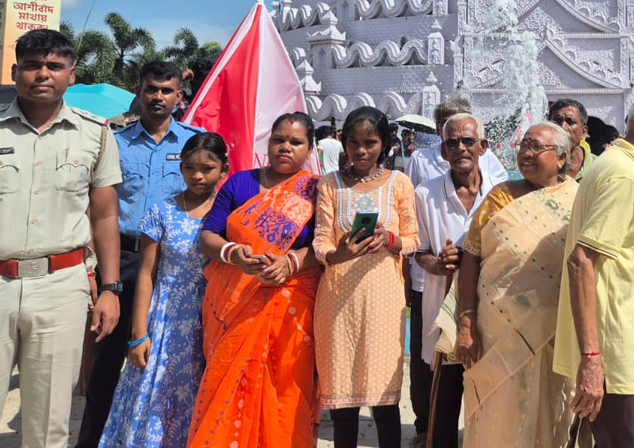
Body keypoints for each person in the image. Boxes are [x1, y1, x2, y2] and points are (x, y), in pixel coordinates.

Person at [0, 28, 123, 448]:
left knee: (48, 425)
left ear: (70, 74)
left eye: (54, 66)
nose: (43, 74)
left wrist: (110, 289)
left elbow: (106, 215)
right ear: (16, 70)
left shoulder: (95, 134)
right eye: (33, 65)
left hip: (62, 288)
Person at [78, 61, 202, 447]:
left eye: (167, 91)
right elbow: (94, 206)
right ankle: (92, 440)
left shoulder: (194, 143)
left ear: (179, 97)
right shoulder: (114, 142)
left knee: (171, 365)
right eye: (151, 89)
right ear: (140, 91)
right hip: (125, 262)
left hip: (177, 268)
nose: (158, 97)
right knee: (107, 363)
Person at [554, 91, 634, 448]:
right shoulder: (624, 175)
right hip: (617, 360)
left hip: (623, 354)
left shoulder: (617, 168)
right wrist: (592, 360)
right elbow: (581, 262)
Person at [188, 112, 322, 448]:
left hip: (290, 306)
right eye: (279, 139)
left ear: (309, 148)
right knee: (227, 381)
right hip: (232, 303)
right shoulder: (239, 182)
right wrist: (233, 253)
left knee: (284, 389)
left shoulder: (316, 191)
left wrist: (292, 262)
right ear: (269, 141)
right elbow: (207, 237)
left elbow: (323, 248)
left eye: (295, 142)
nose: (285, 147)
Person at [449, 121, 579, 448]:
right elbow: (471, 256)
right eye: (523, 146)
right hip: (495, 331)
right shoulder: (499, 197)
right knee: (496, 407)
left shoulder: (577, 200)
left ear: (562, 158)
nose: (526, 153)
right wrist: (466, 323)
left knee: (548, 409)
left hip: (553, 333)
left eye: (536, 147)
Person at [99, 133, 229, 447]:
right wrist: (139, 332)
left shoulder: (228, 215)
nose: (197, 175)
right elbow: (147, 274)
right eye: (189, 168)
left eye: (207, 168)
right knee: (154, 395)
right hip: (165, 321)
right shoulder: (162, 212)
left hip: (210, 321)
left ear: (223, 170)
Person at [313, 106, 420, 448]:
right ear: (343, 142)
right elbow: (320, 242)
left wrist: (388, 239)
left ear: (385, 144)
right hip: (337, 299)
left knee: (385, 400)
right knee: (343, 402)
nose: (361, 151)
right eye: (354, 142)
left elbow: (414, 240)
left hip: (384, 300)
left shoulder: (399, 183)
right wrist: (339, 253)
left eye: (370, 143)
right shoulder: (329, 184)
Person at [403, 97, 507, 442]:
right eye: (452, 143)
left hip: (492, 313)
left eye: (467, 141)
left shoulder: (502, 194)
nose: (461, 148)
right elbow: (417, 254)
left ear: (483, 147)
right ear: (443, 151)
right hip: (443, 315)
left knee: (489, 405)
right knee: (443, 407)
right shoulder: (423, 194)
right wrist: (438, 262)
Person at [551, 98, 595, 179]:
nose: (563, 127)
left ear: (583, 132)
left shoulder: (600, 167)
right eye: (557, 121)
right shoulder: (539, 167)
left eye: (570, 122)